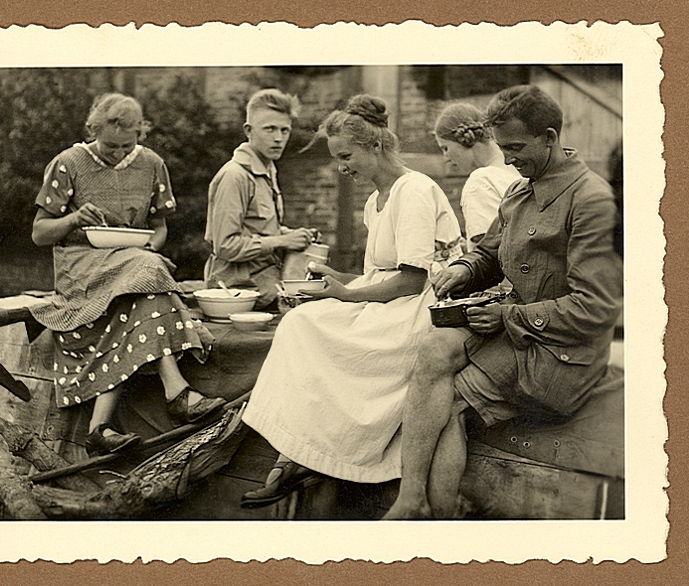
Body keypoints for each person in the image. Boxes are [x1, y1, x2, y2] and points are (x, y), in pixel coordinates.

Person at [383, 85, 623, 519]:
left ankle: (427, 515)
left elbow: (596, 308)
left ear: (549, 137)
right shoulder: (519, 191)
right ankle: (410, 496)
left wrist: (509, 315)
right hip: (519, 332)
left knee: (450, 403)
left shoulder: (590, 200)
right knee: (433, 348)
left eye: (516, 147)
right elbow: (491, 252)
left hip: (561, 352)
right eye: (503, 147)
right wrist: (465, 269)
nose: (508, 159)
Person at [239, 95, 463, 508]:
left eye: (346, 155)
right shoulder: (376, 200)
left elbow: (412, 280)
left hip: (419, 312)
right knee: (303, 319)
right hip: (389, 301)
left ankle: (307, 455)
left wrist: (345, 294)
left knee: (307, 327)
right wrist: (335, 280)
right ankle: (299, 452)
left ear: (375, 146)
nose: (343, 168)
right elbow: (378, 274)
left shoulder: (414, 190)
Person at [30, 93, 225, 457]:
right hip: (81, 266)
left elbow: (159, 228)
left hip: (133, 263)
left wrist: (150, 248)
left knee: (143, 287)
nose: (118, 153)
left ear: (140, 134)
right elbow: (39, 233)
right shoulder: (67, 163)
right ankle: (177, 392)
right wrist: (73, 219)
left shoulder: (152, 164)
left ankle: (99, 428)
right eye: (110, 145)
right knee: (150, 272)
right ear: (93, 130)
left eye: (127, 145)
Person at [204, 89, 316, 310]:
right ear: (249, 130)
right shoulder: (234, 176)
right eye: (270, 129)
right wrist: (282, 241)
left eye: (285, 130)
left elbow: (258, 229)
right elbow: (225, 246)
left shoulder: (267, 170)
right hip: (239, 291)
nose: (278, 138)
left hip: (266, 283)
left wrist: (292, 235)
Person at [434, 103, 521, 252]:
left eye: (445, 148)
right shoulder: (519, 168)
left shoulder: (481, 181)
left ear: (464, 139)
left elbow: (488, 254)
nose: (446, 158)